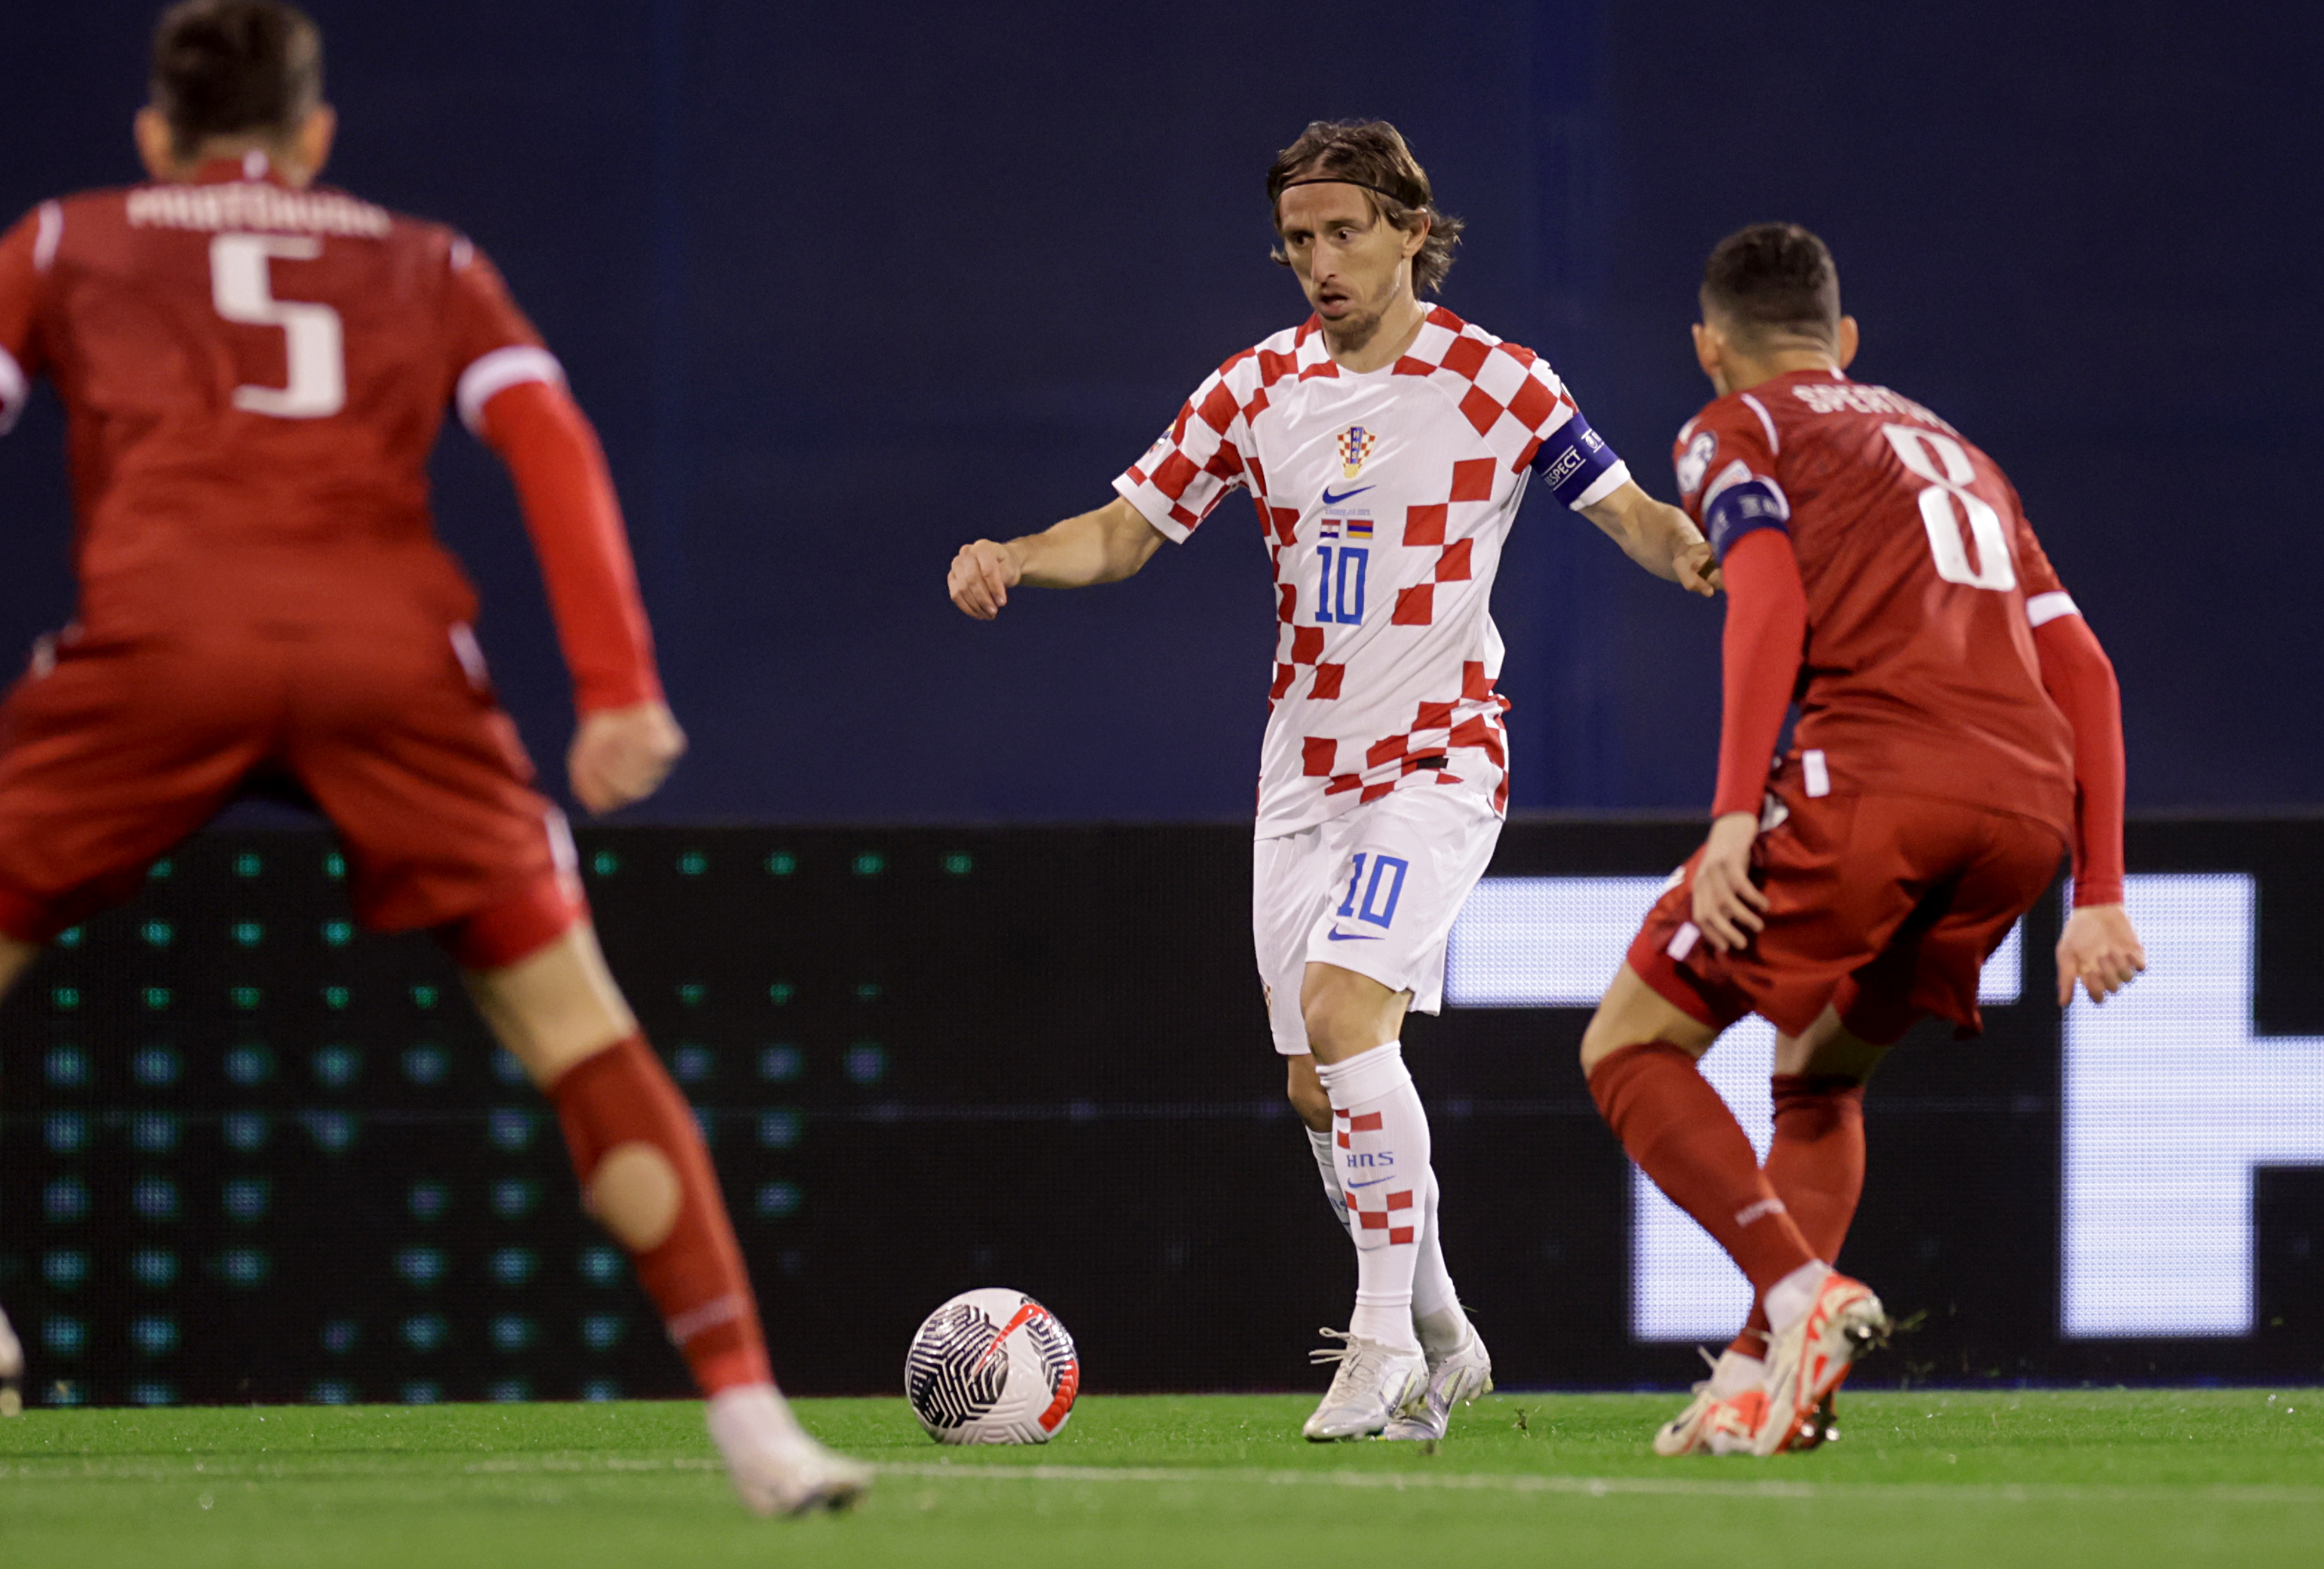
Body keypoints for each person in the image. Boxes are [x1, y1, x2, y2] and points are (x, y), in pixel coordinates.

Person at [0, 0, 866, 1512]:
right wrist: (615, 687)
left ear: (155, 135)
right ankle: (754, 1423)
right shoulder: (429, 258)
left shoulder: (66, 240)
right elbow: (548, 436)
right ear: (315, 135)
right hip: (389, 662)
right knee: (579, 1032)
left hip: (161, 643)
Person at [948, 119, 1716, 1441]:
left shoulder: (1497, 383)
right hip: (1302, 779)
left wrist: (1706, 554)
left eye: (1344, 233)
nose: (1319, 262)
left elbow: (1632, 513)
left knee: (1347, 1010)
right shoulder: (1255, 390)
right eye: (1298, 240)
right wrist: (1017, 553)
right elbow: (1125, 534)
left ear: (1411, 231)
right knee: (1318, 1084)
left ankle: (1379, 1346)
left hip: (1439, 758)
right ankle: (1445, 1336)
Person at [1577, 223, 2146, 1456]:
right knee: (1820, 1074)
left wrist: (1736, 815)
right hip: (2021, 819)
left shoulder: (1736, 427)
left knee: (1629, 1045)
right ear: (1841, 338)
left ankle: (1799, 1295)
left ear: (1709, 348)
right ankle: (1761, 1380)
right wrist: (2096, 887)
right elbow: (2087, 674)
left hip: (1876, 785)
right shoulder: (1962, 456)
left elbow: (1769, 599)